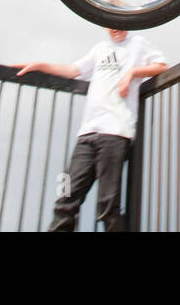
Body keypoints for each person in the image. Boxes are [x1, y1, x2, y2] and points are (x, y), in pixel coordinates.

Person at [13, 25, 168, 231]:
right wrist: (41, 65)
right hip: (87, 134)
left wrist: (132, 73)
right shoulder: (100, 49)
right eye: (111, 26)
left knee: (107, 203)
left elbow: (162, 66)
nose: (116, 30)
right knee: (66, 197)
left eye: (121, 25)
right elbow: (73, 70)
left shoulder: (137, 44)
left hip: (115, 132)